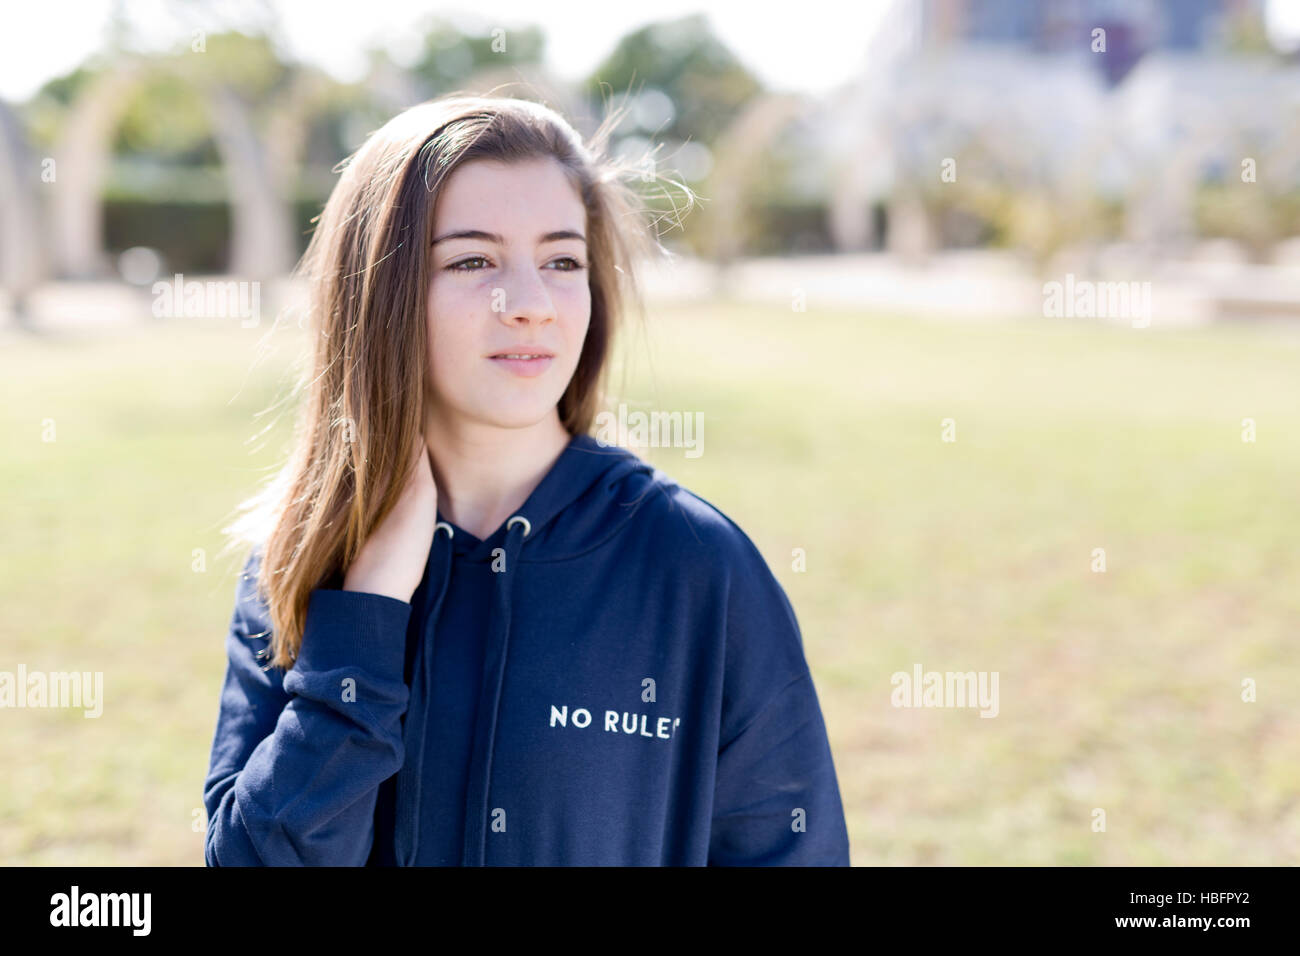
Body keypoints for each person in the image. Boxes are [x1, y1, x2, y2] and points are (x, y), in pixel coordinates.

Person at [202, 93, 850, 866]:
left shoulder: (697, 566)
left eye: (562, 261)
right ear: (377, 296)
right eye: (473, 260)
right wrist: (366, 615)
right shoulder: (302, 561)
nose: (532, 305)